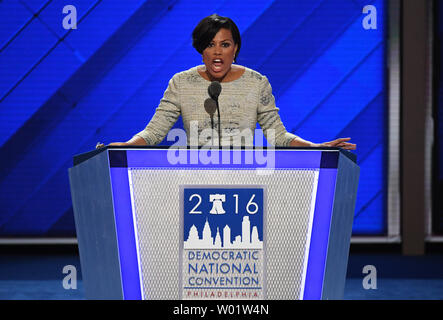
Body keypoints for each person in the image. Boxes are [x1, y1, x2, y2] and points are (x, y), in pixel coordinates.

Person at [99, 14, 356, 150]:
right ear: (202, 50)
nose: (218, 52)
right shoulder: (181, 82)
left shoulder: (257, 83)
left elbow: (277, 135)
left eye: (225, 44)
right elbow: (155, 132)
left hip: (246, 179)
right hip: (195, 176)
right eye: (210, 45)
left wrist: (314, 147)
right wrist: (127, 145)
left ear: (235, 49)